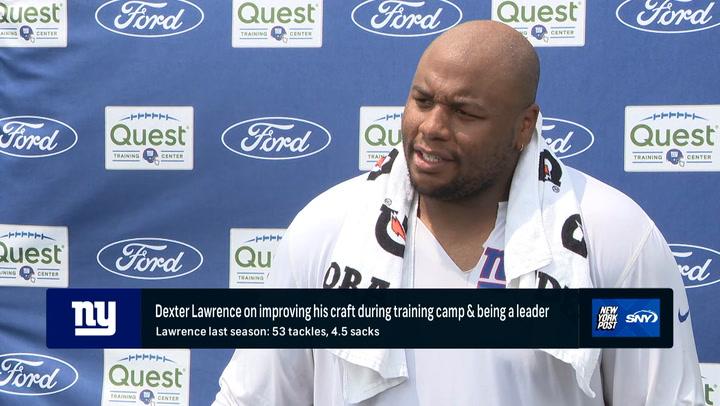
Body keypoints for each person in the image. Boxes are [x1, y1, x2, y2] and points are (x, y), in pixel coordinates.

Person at [213, 20, 703, 405]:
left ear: (523, 126)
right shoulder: (325, 231)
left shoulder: (613, 236)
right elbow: (256, 396)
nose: (432, 127)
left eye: (465, 113)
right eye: (422, 100)